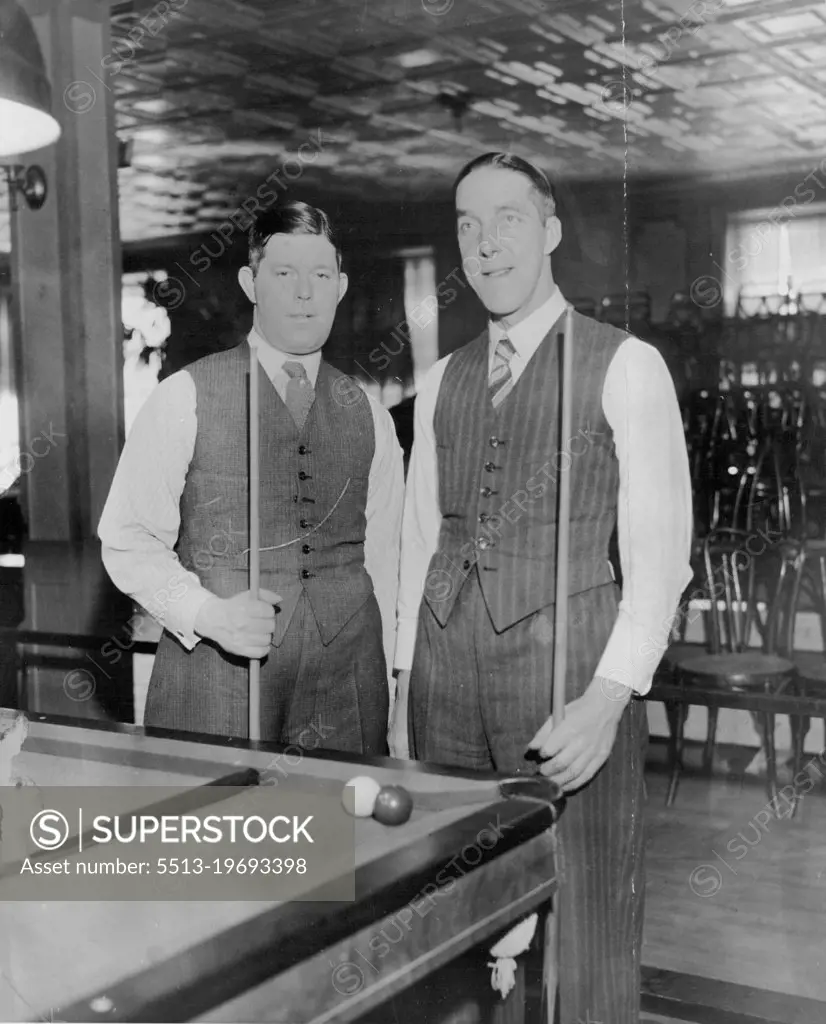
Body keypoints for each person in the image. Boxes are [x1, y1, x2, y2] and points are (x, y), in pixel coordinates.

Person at [391, 153, 692, 1022]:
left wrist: (608, 699)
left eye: (507, 220)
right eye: (467, 225)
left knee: (585, 923)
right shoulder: (442, 378)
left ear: (551, 232)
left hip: (568, 683)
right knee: (451, 919)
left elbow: (660, 557)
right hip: (445, 681)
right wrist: (406, 683)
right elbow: (419, 544)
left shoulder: (627, 365)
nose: (485, 245)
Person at [100, 201, 404, 752]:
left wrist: (387, 687)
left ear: (340, 286)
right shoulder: (184, 397)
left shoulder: (372, 416)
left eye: (320, 275)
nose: (304, 293)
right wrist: (207, 614)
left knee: (343, 839)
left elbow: (385, 560)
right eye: (284, 274)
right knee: (221, 835)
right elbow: (127, 542)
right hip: (216, 682)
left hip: (346, 692)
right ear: (250, 283)